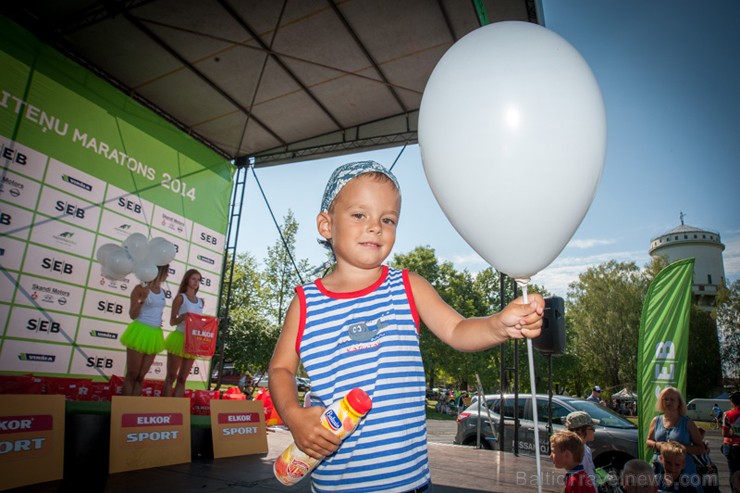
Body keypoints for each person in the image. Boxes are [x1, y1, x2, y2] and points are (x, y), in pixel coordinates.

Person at [268, 161, 544, 493]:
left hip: (407, 484)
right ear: (326, 225)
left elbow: (457, 330)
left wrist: (499, 325)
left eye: (388, 219)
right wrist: (294, 416)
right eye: (359, 215)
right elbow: (281, 369)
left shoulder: (407, 286)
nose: (375, 227)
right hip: (335, 485)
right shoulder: (305, 302)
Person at [120, 264, 169, 396]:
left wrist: (158, 321)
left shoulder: (163, 292)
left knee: (141, 376)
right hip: (140, 331)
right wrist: (142, 299)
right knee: (132, 374)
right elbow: (132, 315)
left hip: (155, 334)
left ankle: (134, 408)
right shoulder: (140, 288)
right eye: (166, 272)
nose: (167, 275)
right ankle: (124, 407)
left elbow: (157, 311)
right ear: (158, 272)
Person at [646, 387, 705, 492]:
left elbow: (701, 448)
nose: (669, 402)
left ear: (679, 403)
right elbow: (648, 441)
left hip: (684, 471)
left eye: (672, 399)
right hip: (660, 469)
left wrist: (680, 448)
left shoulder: (688, 423)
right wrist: (658, 445)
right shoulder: (656, 420)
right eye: (665, 399)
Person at [162, 269, 204, 397]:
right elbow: (172, 321)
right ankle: (164, 408)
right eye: (193, 279)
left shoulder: (201, 301)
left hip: (192, 341)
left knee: (182, 380)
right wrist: (183, 317)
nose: (196, 282)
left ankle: (177, 410)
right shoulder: (180, 298)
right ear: (187, 279)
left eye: (198, 280)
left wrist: (212, 323)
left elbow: (200, 323)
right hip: (179, 338)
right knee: (171, 377)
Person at [565, 411, 598, 490]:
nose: (594, 430)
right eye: (592, 428)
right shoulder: (575, 452)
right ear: (580, 431)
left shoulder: (586, 448)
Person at [722, 392, 740, 483]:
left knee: (733, 472)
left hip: (732, 446)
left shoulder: (728, 414)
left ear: (732, 402)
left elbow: (725, 433)